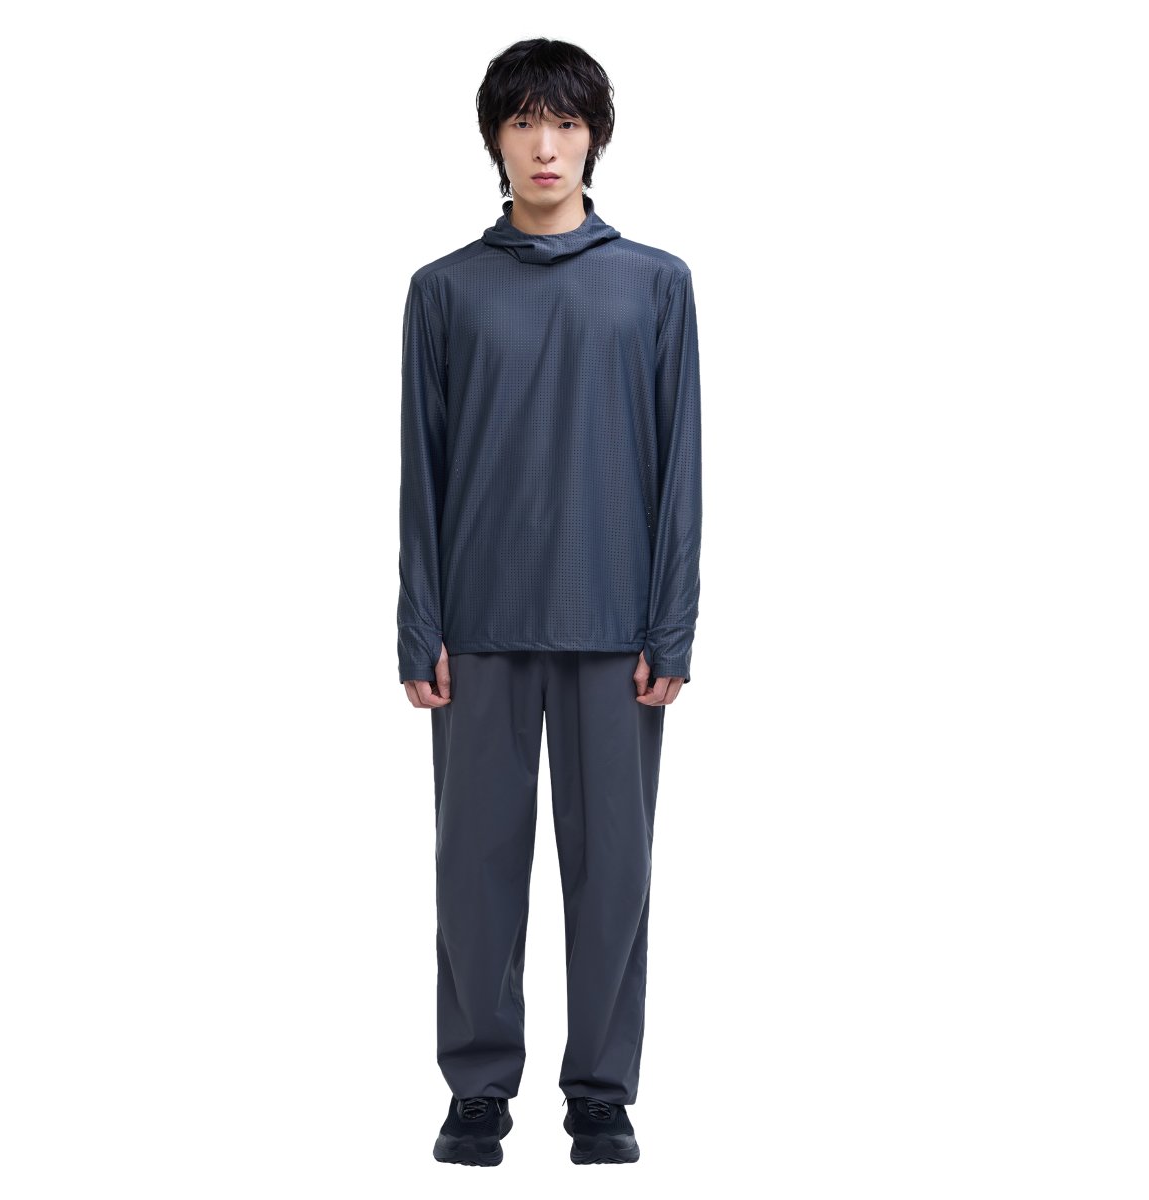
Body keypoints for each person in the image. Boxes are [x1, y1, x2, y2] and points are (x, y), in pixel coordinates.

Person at [396, 37, 702, 1167]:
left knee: (613, 871)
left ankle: (601, 1093)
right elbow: (421, 470)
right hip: (477, 625)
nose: (544, 144)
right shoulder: (444, 291)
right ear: (494, 138)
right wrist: (417, 624)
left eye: (565, 122)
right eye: (523, 121)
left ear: (593, 137)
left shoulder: (655, 285)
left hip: (615, 626)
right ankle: (478, 1089)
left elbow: (681, 466)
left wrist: (673, 624)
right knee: (473, 871)